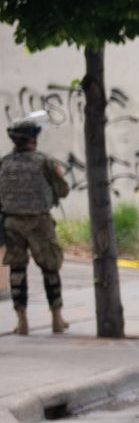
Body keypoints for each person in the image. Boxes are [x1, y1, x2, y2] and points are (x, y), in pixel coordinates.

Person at [2, 112, 71, 334]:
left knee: (17, 270)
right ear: (33, 139)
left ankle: (21, 321)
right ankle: (57, 319)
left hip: (11, 221)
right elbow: (63, 190)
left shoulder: (4, 163)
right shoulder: (44, 162)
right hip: (40, 222)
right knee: (50, 268)